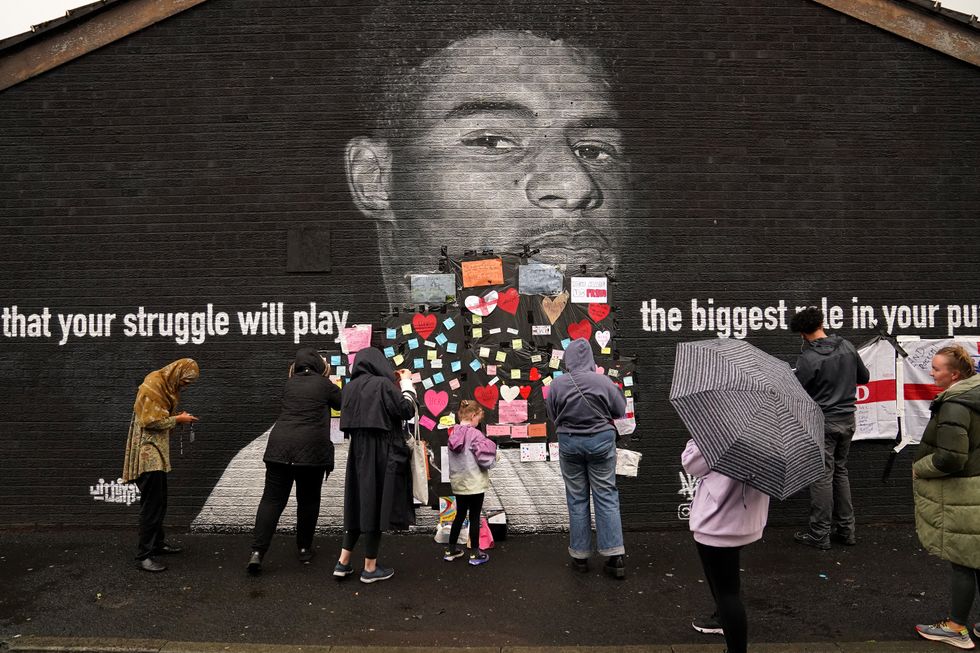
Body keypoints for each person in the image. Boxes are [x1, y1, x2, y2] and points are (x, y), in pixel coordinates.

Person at [246, 347, 342, 575]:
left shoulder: (289, 384)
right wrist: (331, 380)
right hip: (311, 451)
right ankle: (304, 549)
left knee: (271, 500)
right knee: (308, 501)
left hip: (279, 448)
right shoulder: (325, 384)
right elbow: (342, 403)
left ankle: (257, 552)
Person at [912, 345, 980, 650]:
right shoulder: (975, 394)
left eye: (937, 368)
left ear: (954, 375)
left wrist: (920, 468)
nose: (931, 372)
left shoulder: (955, 404)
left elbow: (951, 458)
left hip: (965, 494)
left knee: (962, 560)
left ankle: (955, 628)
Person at [544, 337, 627, 578]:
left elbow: (552, 414)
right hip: (600, 441)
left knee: (577, 498)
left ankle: (580, 557)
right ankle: (615, 556)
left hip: (570, 443)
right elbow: (620, 410)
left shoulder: (557, 384)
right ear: (590, 357)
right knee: (606, 495)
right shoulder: (603, 381)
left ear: (568, 359)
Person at [334, 347, 418, 584]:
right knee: (375, 504)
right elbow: (406, 410)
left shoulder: (349, 388)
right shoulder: (382, 385)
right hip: (382, 451)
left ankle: (343, 562)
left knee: (356, 503)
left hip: (357, 452)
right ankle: (370, 567)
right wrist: (407, 383)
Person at [790, 306, 870, 550]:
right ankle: (847, 530)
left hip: (823, 422)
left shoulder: (808, 358)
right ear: (822, 324)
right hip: (848, 419)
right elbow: (864, 377)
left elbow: (796, 391)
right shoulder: (847, 346)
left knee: (821, 476)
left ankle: (819, 533)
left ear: (802, 334)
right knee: (840, 472)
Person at [682, 438, 770, 653]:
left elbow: (692, 464)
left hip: (717, 523)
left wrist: (694, 441)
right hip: (748, 518)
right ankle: (722, 618)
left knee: (726, 593)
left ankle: (734, 644)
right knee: (728, 586)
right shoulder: (766, 436)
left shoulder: (720, 434)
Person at [122, 358, 199, 572]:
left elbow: (159, 415)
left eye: (189, 383)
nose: (185, 386)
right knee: (151, 506)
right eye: (185, 381)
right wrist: (178, 420)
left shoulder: (166, 385)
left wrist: (178, 417)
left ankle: (157, 543)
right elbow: (149, 421)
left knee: (160, 502)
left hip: (157, 450)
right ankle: (144, 556)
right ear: (177, 373)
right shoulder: (153, 384)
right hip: (147, 452)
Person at [444, 399, 497, 566]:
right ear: (473, 415)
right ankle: (475, 554)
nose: (478, 422)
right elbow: (485, 460)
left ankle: (450, 550)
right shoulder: (476, 434)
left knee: (459, 515)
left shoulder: (453, 433)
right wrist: (496, 456)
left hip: (459, 483)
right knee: (474, 516)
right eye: (479, 418)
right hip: (474, 483)